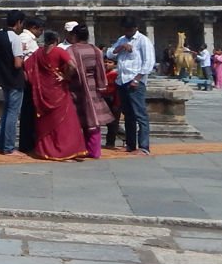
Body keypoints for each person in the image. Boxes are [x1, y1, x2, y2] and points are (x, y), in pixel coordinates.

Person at [25, 31, 87, 161]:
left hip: (44, 92)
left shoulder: (38, 53)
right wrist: (66, 76)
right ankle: (64, 150)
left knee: (46, 121)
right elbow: (72, 65)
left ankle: (47, 150)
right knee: (65, 122)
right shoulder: (59, 51)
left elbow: (26, 67)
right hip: (58, 91)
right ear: (56, 40)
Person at [106, 15, 156, 154]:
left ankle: (144, 147)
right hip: (121, 80)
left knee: (140, 114)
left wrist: (137, 79)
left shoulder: (143, 41)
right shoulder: (121, 39)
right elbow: (110, 54)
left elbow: (149, 63)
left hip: (134, 81)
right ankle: (130, 144)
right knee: (128, 115)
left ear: (135, 28)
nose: (127, 31)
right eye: (125, 29)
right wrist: (120, 47)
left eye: (129, 29)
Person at [66, 23, 114, 159]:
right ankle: (94, 150)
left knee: (77, 119)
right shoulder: (96, 50)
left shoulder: (71, 50)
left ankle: (78, 149)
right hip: (93, 87)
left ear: (74, 36)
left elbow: (70, 68)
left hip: (77, 87)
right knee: (93, 119)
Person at [0, 10, 26, 155]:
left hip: (2, 78)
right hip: (14, 80)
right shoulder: (15, 38)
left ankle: (1, 144)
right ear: (18, 23)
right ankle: (9, 147)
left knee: (5, 112)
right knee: (12, 113)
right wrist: (22, 54)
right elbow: (18, 63)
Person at [17, 16, 44, 154]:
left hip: (31, 77)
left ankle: (29, 142)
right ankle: (26, 143)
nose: (41, 33)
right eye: (40, 30)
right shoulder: (25, 38)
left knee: (30, 112)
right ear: (34, 28)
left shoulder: (29, 39)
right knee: (28, 112)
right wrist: (24, 72)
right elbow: (18, 55)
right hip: (27, 78)